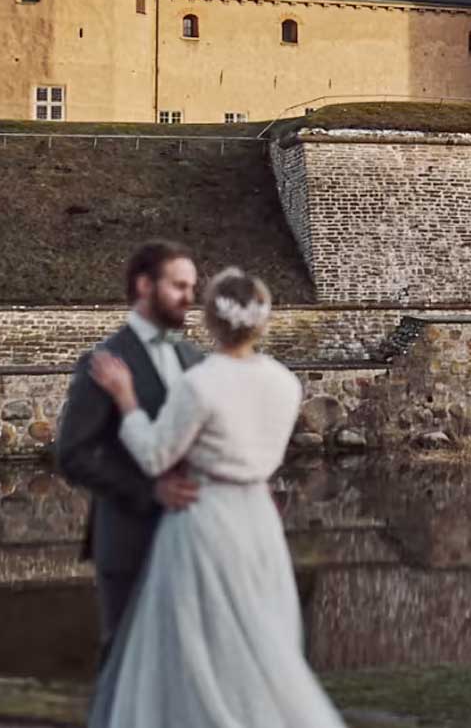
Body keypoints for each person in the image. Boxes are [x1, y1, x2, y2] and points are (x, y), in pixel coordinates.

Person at [84, 267, 344, 728]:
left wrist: (126, 399)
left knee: (196, 637)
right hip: (258, 518)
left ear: (210, 319)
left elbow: (153, 453)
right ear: (261, 321)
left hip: (204, 515)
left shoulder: (200, 383)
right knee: (258, 635)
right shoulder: (285, 382)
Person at [56, 240, 205, 658]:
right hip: (128, 537)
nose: (189, 298)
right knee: (125, 662)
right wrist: (149, 492)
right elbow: (73, 455)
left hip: (191, 540)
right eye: (179, 286)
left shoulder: (192, 357)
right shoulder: (103, 361)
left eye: (191, 287)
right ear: (144, 285)